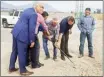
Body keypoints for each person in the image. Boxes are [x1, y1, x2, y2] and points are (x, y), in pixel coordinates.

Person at [9, 3, 49, 76]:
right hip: (22, 35)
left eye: (43, 8)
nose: (42, 9)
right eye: (41, 7)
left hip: (15, 32)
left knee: (14, 51)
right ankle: (23, 71)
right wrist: (32, 40)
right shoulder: (34, 14)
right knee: (22, 53)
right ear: (36, 6)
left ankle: (11, 67)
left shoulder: (27, 10)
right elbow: (31, 28)